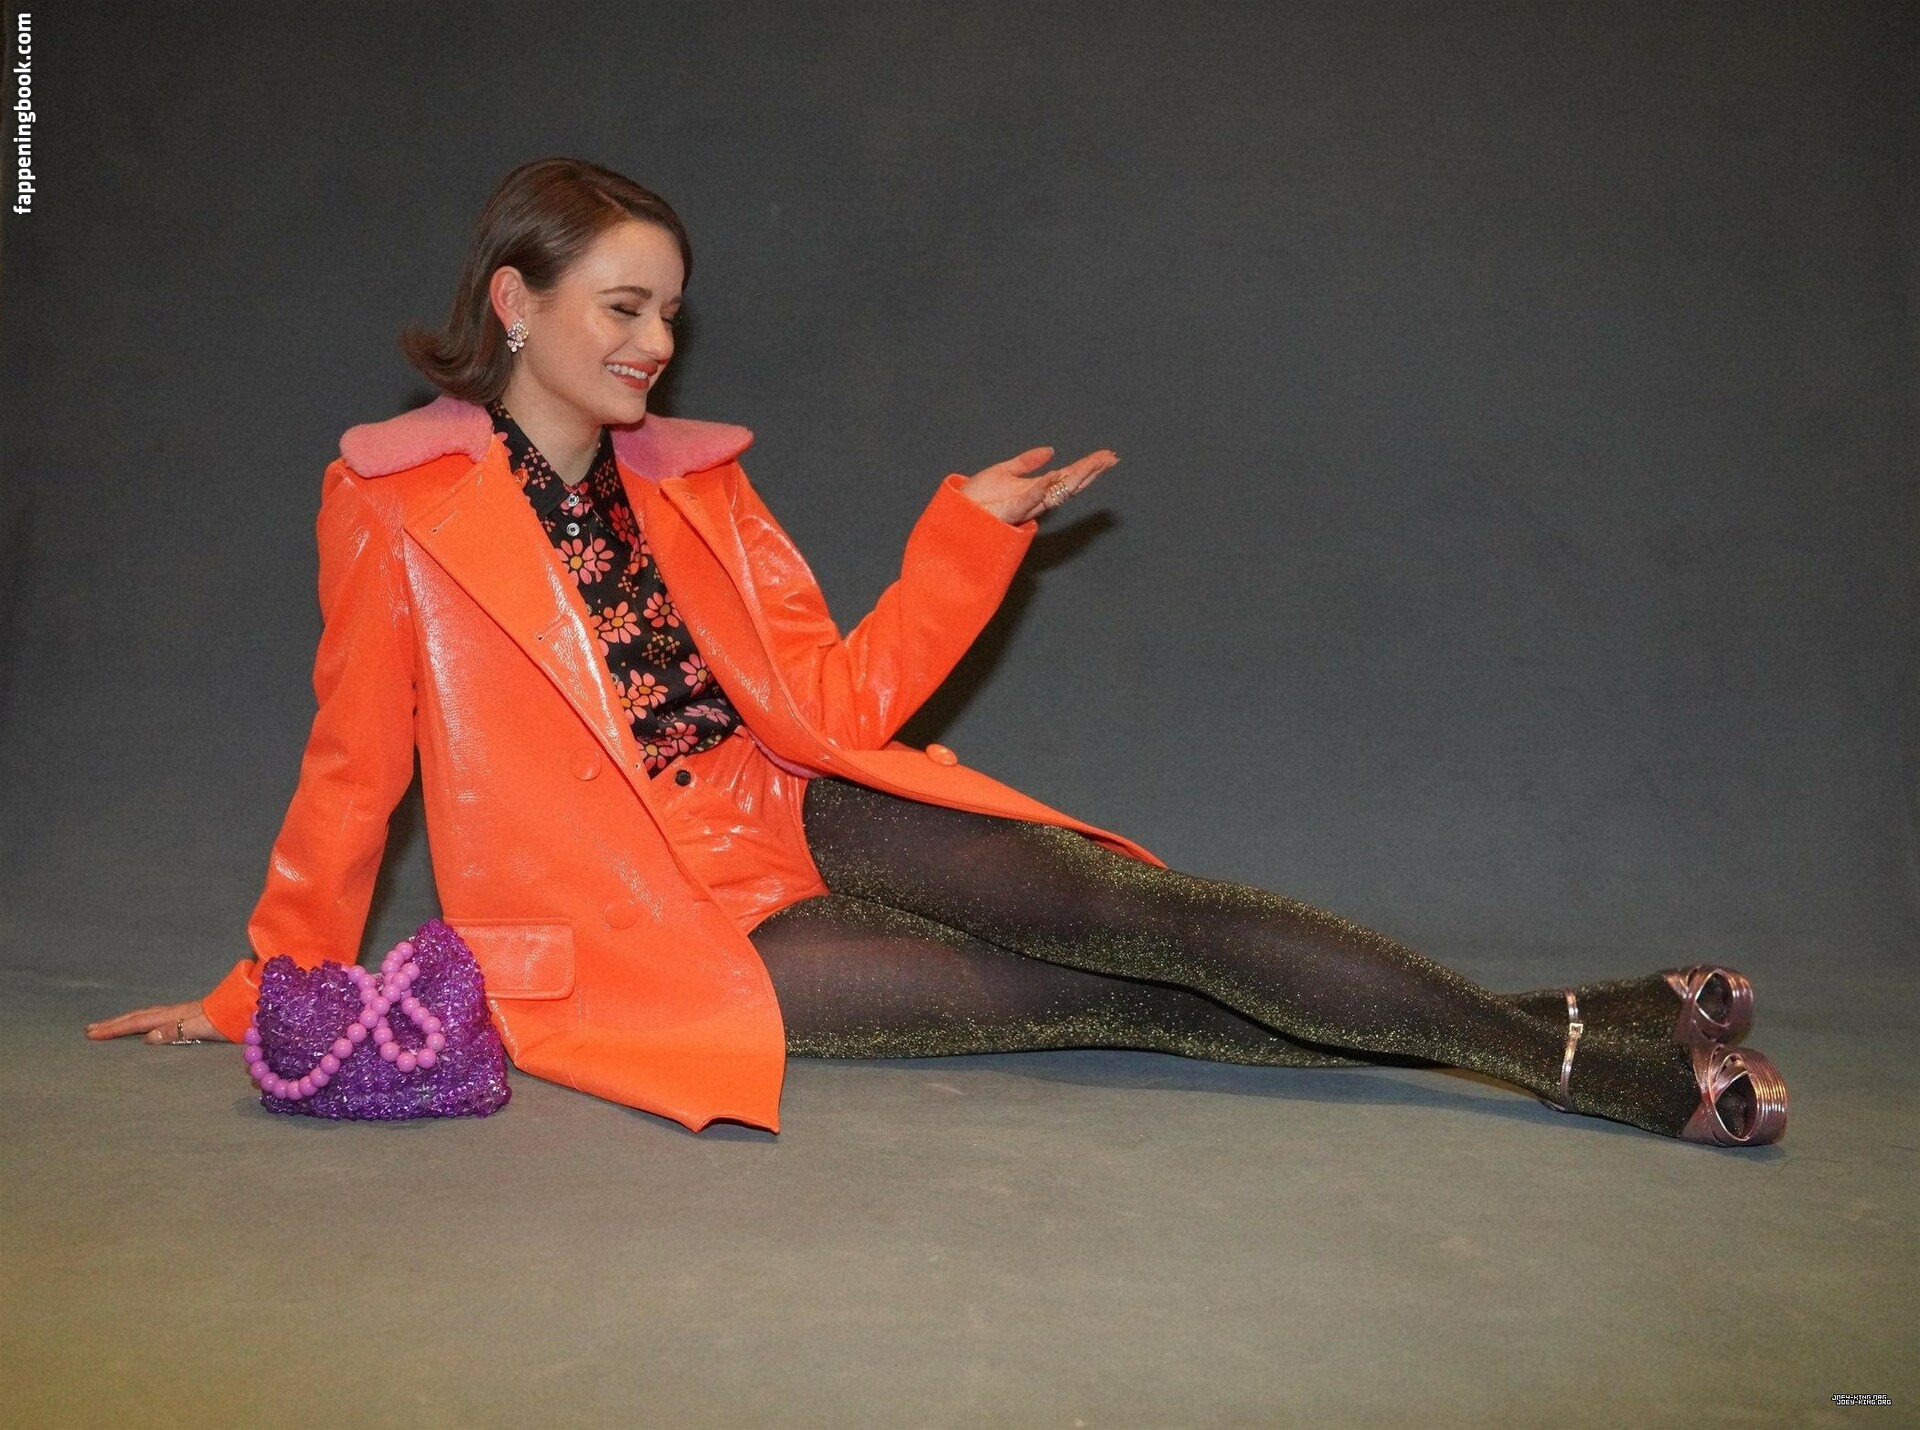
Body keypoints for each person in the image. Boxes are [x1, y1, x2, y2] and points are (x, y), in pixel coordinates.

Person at [85, 156, 1787, 1146]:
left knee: (1150, 910)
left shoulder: (699, 483)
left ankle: (1579, 1042)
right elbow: (354, 770)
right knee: (1090, 995)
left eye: (670, 310)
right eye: (623, 304)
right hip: (648, 930)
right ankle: (1612, 1049)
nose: (658, 341)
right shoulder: (391, 504)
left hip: (790, 807)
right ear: (516, 304)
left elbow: (832, 702)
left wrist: (963, 538)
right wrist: (263, 985)